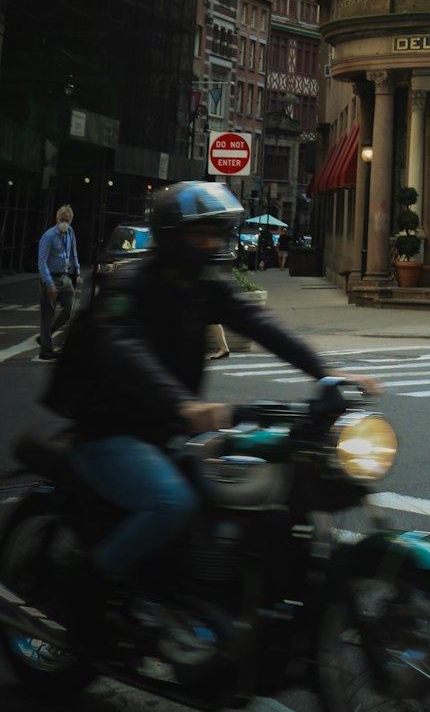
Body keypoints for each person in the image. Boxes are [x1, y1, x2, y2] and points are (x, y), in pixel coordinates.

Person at [45, 180, 378, 644]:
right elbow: (125, 349)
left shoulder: (202, 285)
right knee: (171, 502)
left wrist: (327, 373)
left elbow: (261, 324)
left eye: (218, 233)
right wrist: (182, 403)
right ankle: (86, 595)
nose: (213, 243)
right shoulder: (131, 286)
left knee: (245, 485)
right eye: (202, 234)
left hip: (166, 429)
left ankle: (199, 595)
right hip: (111, 430)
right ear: (172, 236)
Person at [37, 203, 81, 361]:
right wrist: (49, 284)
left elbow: (73, 250)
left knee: (68, 311)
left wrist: (77, 269)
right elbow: (41, 262)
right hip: (50, 277)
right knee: (47, 315)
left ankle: (45, 336)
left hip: (64, 276)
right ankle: (46, 350)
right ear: (56, 219)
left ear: (71, 221)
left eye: (68, 220)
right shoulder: (48, 236)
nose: (65, 223)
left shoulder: (70, 232)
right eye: (62, 219)